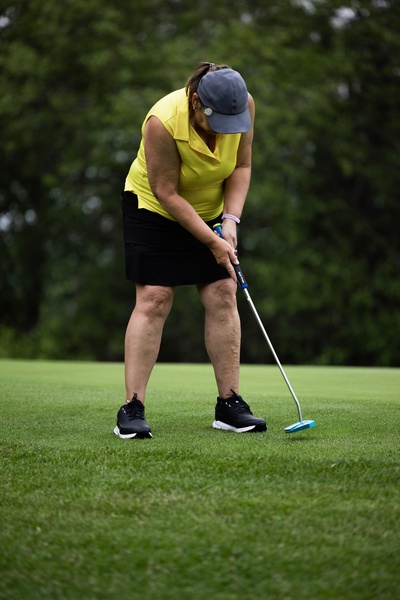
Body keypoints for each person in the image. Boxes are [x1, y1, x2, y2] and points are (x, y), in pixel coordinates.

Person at [114, 62, 267, 439]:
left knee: (223, 291)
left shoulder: (243, 105)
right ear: (196, 102)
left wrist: (230, 220)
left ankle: (229, 404)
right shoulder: (163, 122)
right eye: (216, 122)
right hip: (154, 209)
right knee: (155, 298)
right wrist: (211, 240)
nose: (224, 131)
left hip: (211, 209)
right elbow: (166, 192)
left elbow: (242, 165)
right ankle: (132, 407)